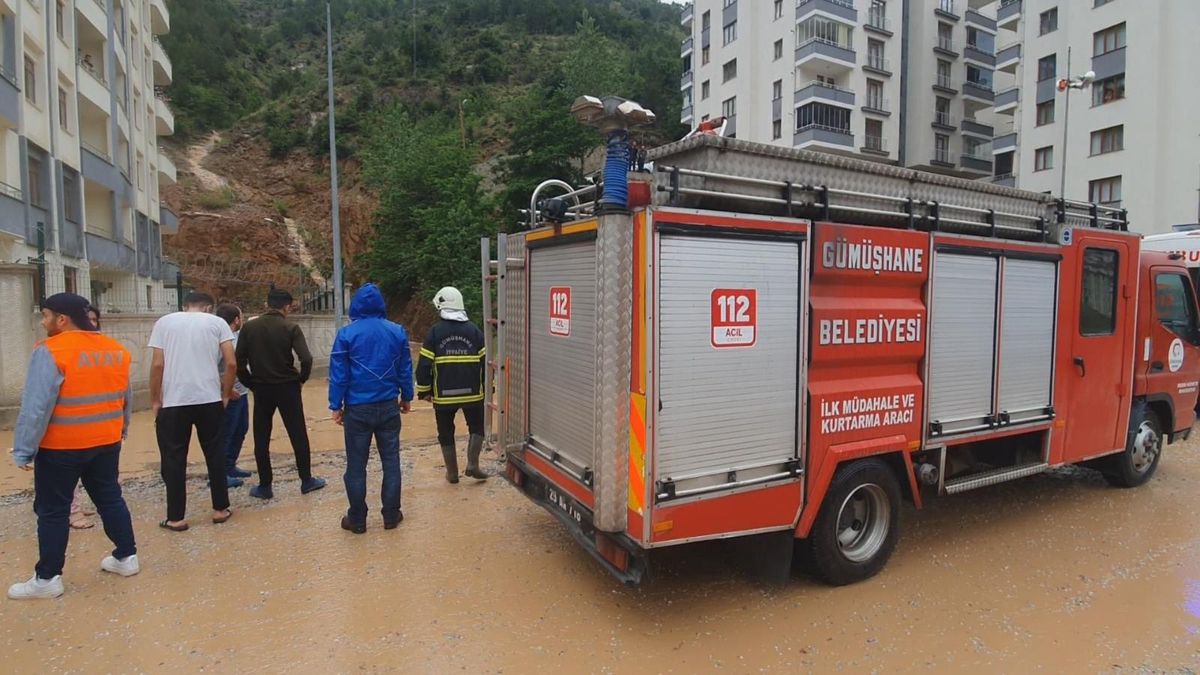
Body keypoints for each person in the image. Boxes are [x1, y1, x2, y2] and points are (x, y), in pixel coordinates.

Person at [8, 293, 138, 600]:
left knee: (53, 510)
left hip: (61, 447)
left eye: (45, 316)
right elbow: (126, 398)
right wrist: (121, 430)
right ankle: (126, 557)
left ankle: (47, 578)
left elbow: (36, 407)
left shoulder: (50, 350)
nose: (43, 322)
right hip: (106, 441)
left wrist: (24, 448)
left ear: (61, 319)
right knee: (109, 498)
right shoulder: (116, 349)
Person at [328, 284, 414, 533]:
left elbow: (339, 374)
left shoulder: (346, 334)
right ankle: (390, 515)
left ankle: (357, 520)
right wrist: (406, 396)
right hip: (388, 406)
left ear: (355, 305)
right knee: (391, 461)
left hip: (357, 409)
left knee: (356, 466)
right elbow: (404, 368)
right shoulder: (397, 331)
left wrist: (336, 404)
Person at [149, 292, 237, 531]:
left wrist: (155, 399)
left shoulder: (165, 322)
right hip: (208, 399)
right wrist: (226, 393)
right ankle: (220, 509)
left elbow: (158, 364)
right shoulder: (217, 323)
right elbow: (231, 363)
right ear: (209, 307)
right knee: (215, 453)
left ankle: (176, 517)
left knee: (174, 458)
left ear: (184, 305)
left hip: (174, 401)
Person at [236, 288, 326, 499]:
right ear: (287, 306)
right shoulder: (291, 327)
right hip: (288, 387)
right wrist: (301, 379)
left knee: (261, 435)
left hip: (262, 387)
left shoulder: (249, 328)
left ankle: (265, 485)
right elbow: (306, 359)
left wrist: (250, 383)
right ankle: (306, 480)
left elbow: (239, 361)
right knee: (297, 433)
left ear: (267, 304)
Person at [415, 286, 488, 484]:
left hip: (444, 395)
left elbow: (423, 365)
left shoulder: (435, 332)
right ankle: (473, 464)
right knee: (477, 426)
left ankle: (452, 473)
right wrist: (487, 388)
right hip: (473, 394)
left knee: (445, 431)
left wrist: (425, 391)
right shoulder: (474, 331)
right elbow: (486, 363)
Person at [215, 304, 252, 488]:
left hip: (242, 392)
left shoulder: (236, 336)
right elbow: (212, 367)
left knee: (241, 429)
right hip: (228, 395)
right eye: (241, 316)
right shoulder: (219, 339)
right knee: (226, 433)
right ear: (236, 319)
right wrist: (226, 389)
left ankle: (230, 465)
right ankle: (219, 474)